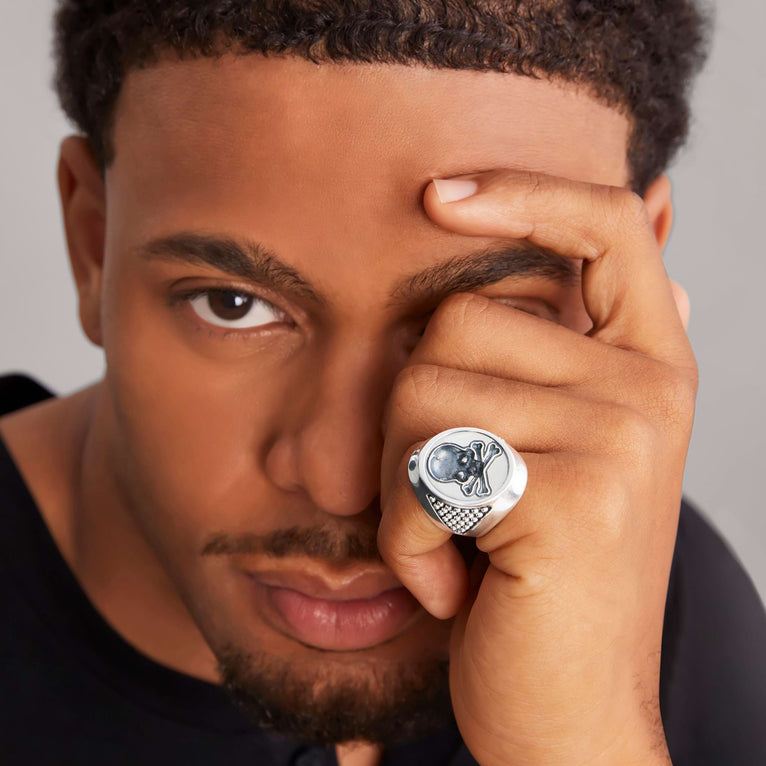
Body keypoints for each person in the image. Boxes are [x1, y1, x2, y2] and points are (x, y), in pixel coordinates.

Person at [1, 1, 764, 764]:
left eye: (491, 311)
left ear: (634, 282)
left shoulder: (662, 605)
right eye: (231, 305)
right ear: (91, 244)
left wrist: (581, 741)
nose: (343, 484)